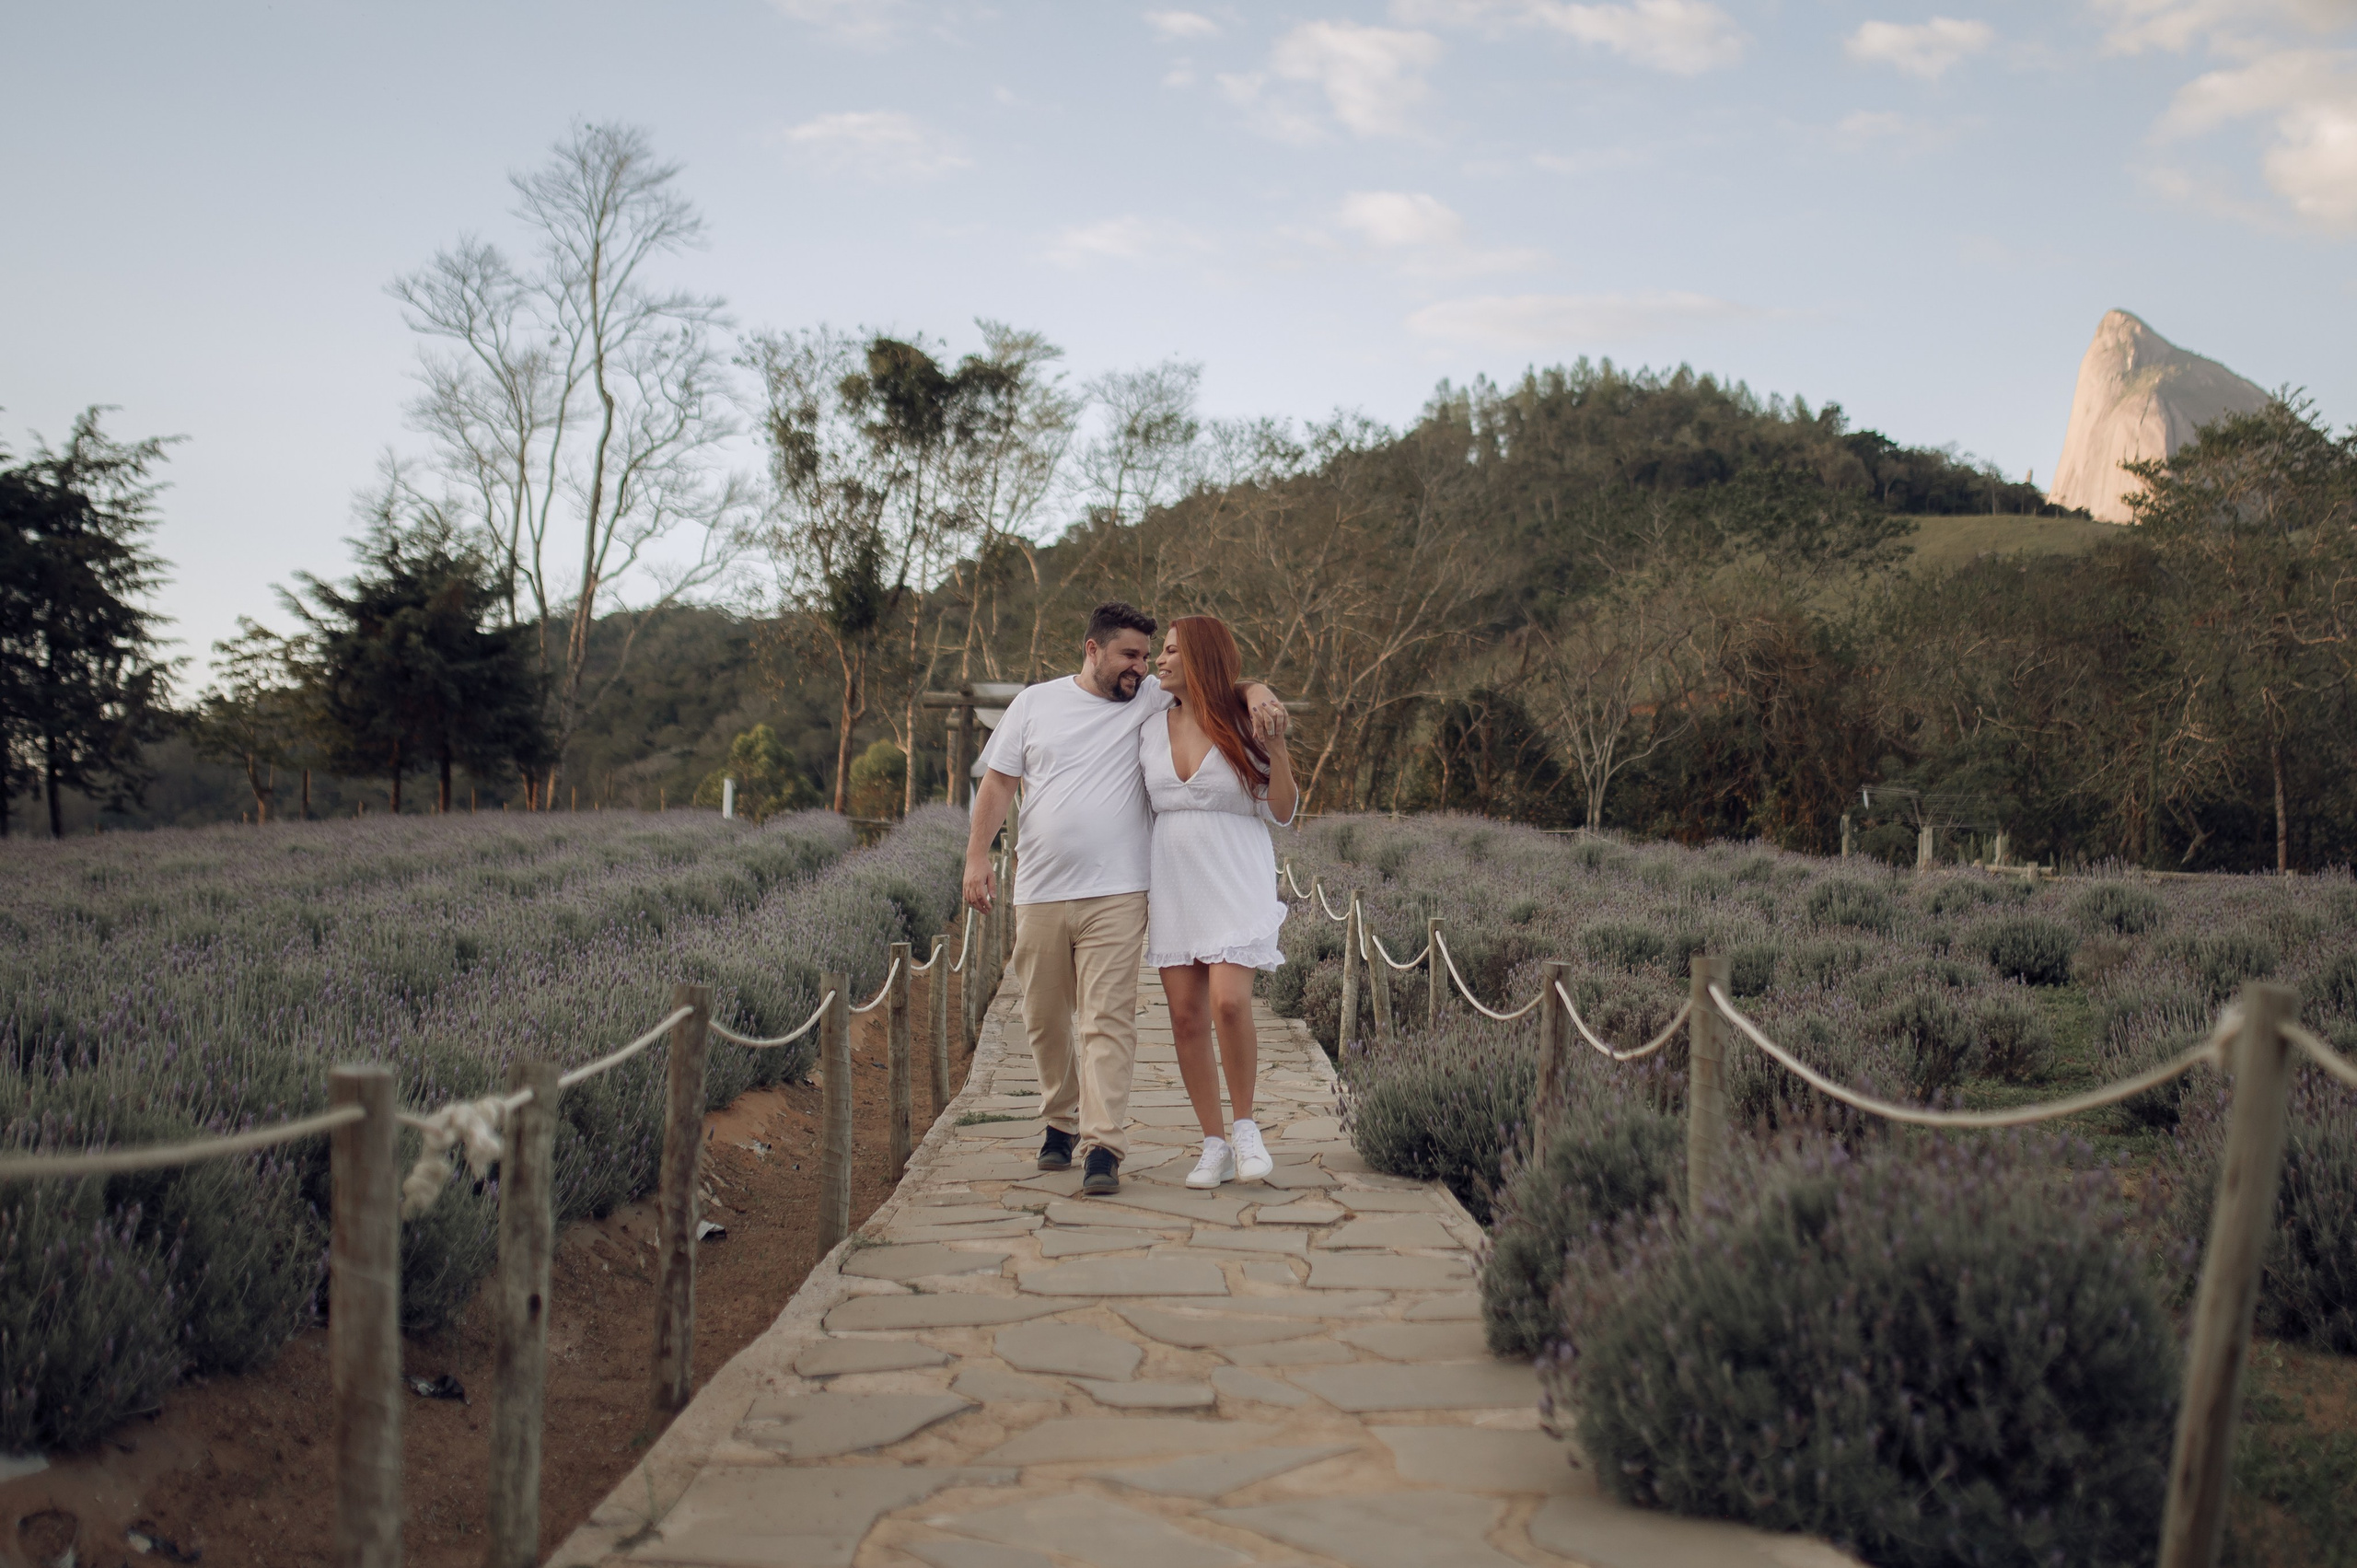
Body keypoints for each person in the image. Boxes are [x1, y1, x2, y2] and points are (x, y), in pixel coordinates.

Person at [962, 602, 1286, 1196]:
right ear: (1093, 650)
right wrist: (978, 856)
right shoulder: (1035, 703)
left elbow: (1222, 686)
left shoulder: (1151, 698)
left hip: (1121, 889)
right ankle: (1059, 1118)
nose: (1142, 666)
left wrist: (1260, 688)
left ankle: (1102, 1145)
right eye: (1130, 655)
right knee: (1044, 1017)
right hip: (1039, 888)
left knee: (1107, 1019)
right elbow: (1001, 780)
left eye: (1149, 654)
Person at [1143, 616, 1299, 1189]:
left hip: (1235, 879)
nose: (1159, 661)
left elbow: (1281, 810)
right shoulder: (1148, 722)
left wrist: (1276, 747)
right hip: (1175, 885)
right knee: (1185, 1018)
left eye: (1171, 651)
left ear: (1200, 659)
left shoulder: (1245, 722)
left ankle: (1247, 1126)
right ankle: (1214, 1144)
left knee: (1229, 1003)